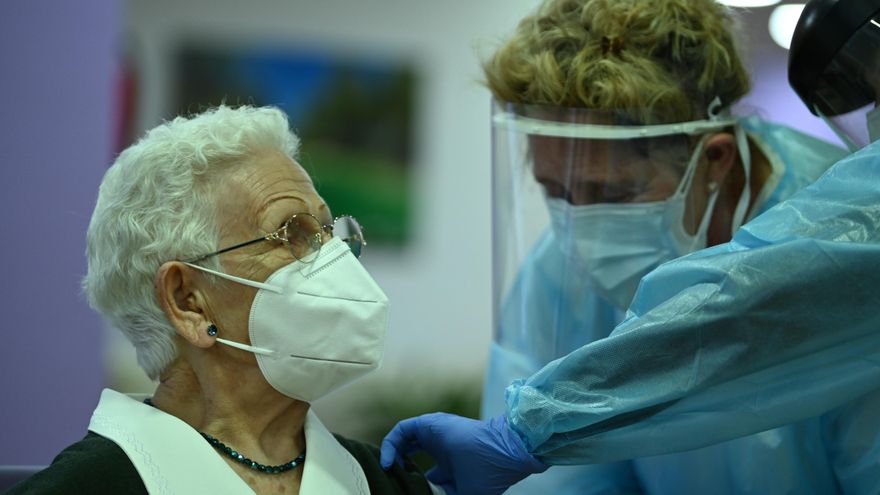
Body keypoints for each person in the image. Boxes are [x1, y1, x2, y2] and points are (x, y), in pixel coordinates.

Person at [381, 0, 880, 493]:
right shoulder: (559, 271)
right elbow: (562, 485)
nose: (581, 232)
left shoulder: (839, 245)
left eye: (612, 194)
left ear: (715, 160)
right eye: (557, 192)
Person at [8, 105, 441, 495]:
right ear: (188, 302)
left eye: (328, 232)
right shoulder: (87, 487)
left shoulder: (389, 483)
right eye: (292, 233)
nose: (333, 259)